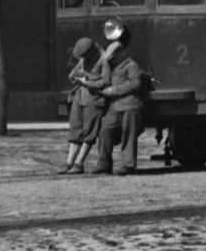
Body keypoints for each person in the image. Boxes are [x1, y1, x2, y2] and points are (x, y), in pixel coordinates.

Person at [95, 24, 145, 176]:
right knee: (105, 131)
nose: (110, 61)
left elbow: (136, 83)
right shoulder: (112, 67)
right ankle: (103, 164)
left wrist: (115, 90)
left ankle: (128, 165)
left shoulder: (132, 66)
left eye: (113, 57)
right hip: (116, 106)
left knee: (128, 134)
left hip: (130, 105)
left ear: (121, 53)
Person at [60, 36, 109, 174]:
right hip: (80, 97)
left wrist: (86, 82)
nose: (82, 58)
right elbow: (77, 69)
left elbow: (105, 83)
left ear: (91, 52)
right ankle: (69, 162)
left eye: (83, 56)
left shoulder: (104, 59)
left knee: (89, 132)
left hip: (94, 99)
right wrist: (73, 75)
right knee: (75, 130)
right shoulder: (85, 58)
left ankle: (79, 163)